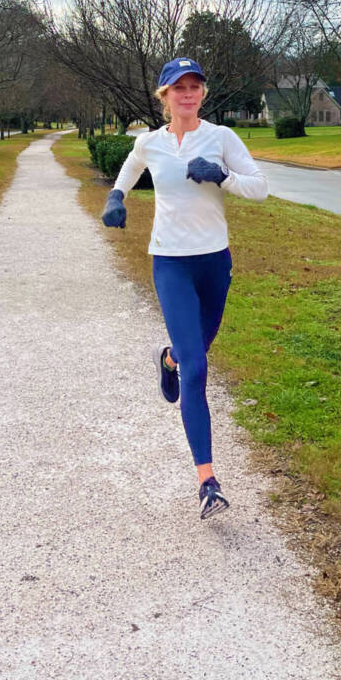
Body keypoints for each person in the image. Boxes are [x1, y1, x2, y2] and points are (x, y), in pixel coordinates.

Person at [100, 57, 268, 519]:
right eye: (179, 88)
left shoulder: (221, 139)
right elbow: (129, 170)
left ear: (203, 94)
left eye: (195, 87)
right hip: (170, 262)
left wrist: (223, 177)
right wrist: (117, 198)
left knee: (192, 352)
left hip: (215, 262)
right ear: (165, 96)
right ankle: (207, 481)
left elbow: (261, 187)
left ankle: (167, 358)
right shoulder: (150, 143)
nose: (188, 94)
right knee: (198, 369)